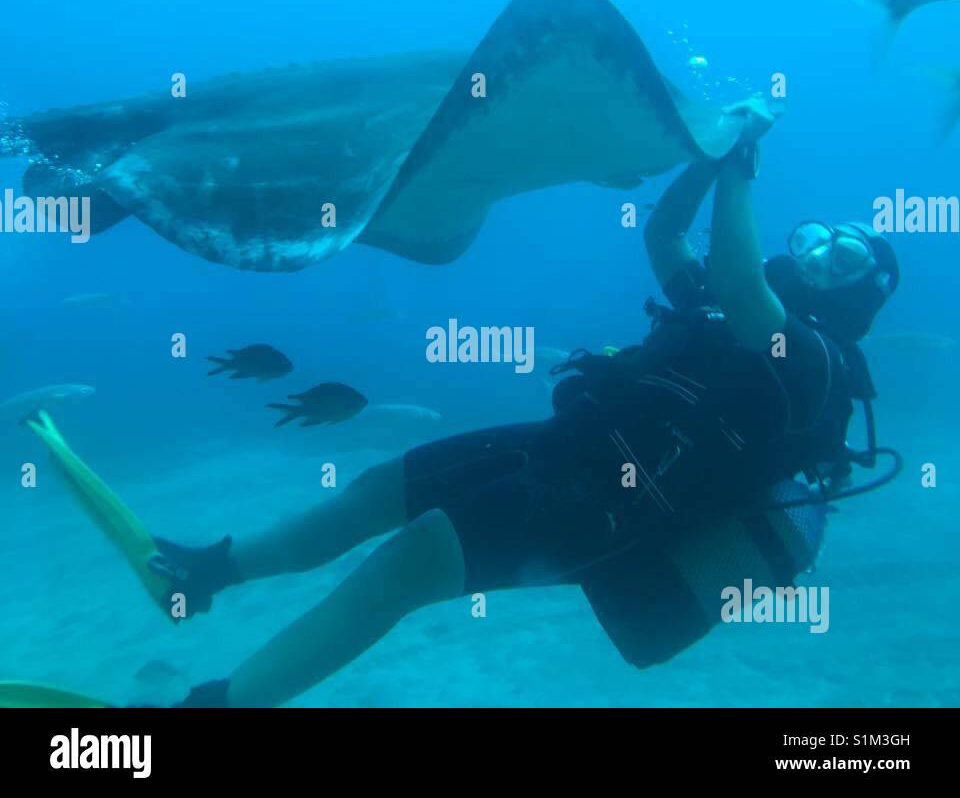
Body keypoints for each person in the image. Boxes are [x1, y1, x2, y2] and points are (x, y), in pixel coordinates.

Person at [152, 101, 899, 707]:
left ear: (862, 296)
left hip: (615, 509)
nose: (815, 257)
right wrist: (707, 158)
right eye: (815, 239)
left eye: (843, 259)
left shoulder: (818, 364)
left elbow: (741, 285)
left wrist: (739, 163)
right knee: (376, 492)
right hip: (565, 444)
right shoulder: (719, 315)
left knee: (403, 567)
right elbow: (666, 232)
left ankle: (224, 704)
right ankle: (215, 571)